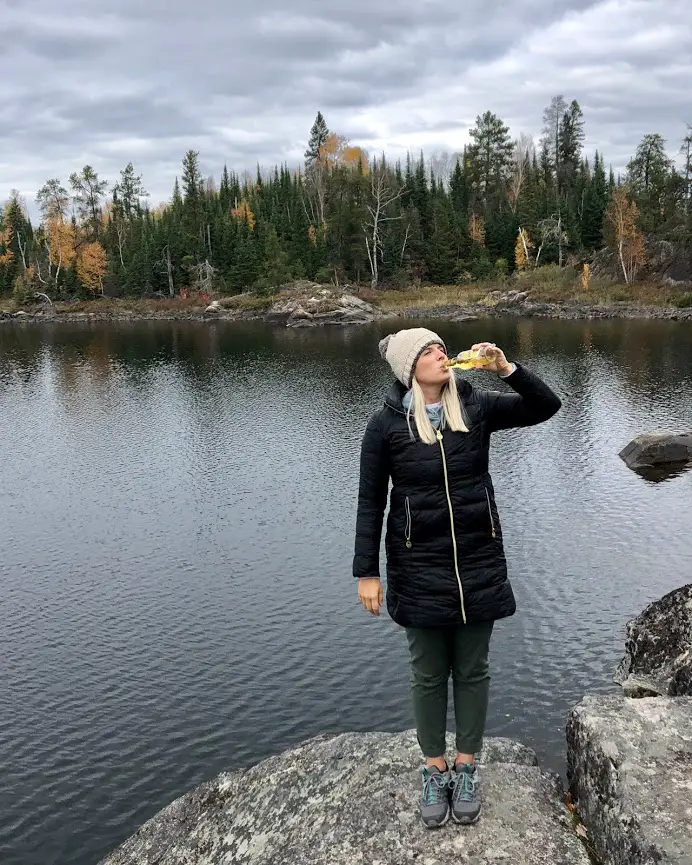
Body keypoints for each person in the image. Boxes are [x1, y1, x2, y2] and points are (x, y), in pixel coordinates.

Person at [353, 327, 562, 828]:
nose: (440, 354)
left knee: (473, 669)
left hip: (477, 562)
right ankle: (434, 768)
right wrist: (366, 572)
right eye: (427, 350)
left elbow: (547, 406)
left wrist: (507, 370)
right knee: (428, 674)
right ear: (408, 367)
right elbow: (369, 503)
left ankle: (466, 766)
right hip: (417, 567)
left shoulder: (475, 407)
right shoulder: (385, 425)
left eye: (441, 347)